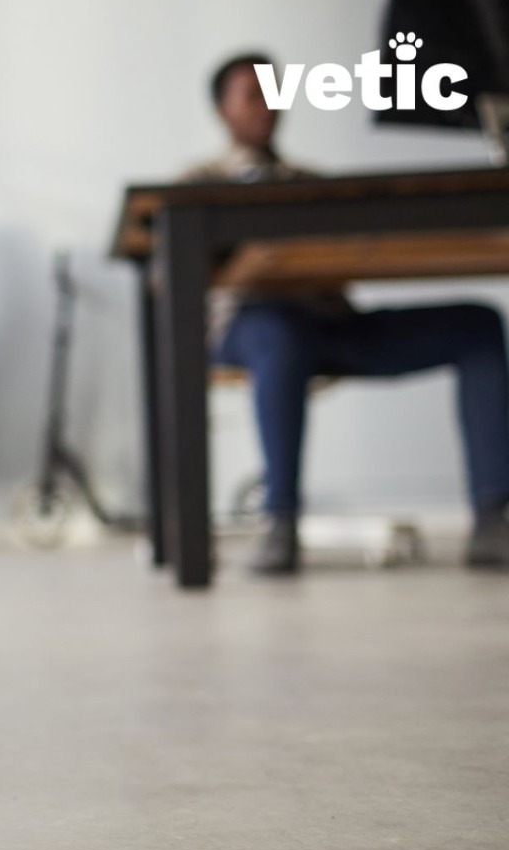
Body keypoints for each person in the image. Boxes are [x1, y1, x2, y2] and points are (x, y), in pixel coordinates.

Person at [189, 52, 509, 574]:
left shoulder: (315, 185)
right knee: (279, 330)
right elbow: (168, 278)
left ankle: (493, 517)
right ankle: (280, 521)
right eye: (252, 94)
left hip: (331, 325)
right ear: (222, 110)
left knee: (476, 324)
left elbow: (352, 260)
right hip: (249, 330)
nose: (267, 105)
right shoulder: (197, 183)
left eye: (274, 91)